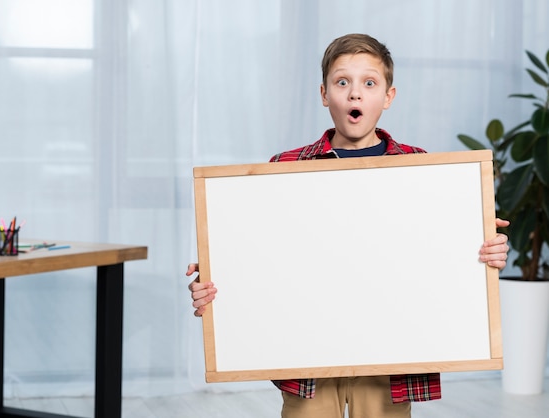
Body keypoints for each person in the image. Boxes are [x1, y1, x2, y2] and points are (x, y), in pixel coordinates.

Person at [185, 33, 510, 418]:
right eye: (343, 82)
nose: (355, 94)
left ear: (388, 97)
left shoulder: (423, 169)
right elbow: (260, 254)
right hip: (306, 357)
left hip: (392, 354)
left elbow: (437, 255)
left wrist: (485, 253)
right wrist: (216, 275)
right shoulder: (285, 169)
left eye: (369, 83)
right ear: (325, 94)